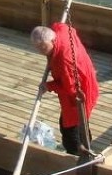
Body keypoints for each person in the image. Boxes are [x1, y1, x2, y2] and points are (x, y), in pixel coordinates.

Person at [30, 23, 99, 155]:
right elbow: (65, 26)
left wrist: (48, 86)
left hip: (80, 94)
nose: (41, 51)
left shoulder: (64, 60)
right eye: (38, 48)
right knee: (75, 123)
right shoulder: (60, 31)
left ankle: (76, 154)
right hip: (83, 79)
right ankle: (85, 146)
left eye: (44, 47)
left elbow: (70, 89)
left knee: (71, 127)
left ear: (52, 40)